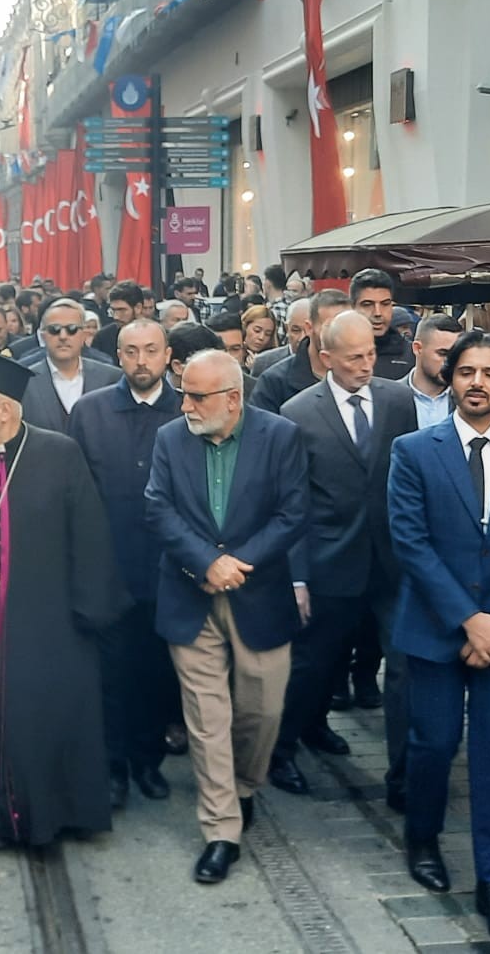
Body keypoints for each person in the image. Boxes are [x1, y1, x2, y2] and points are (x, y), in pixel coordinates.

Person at [0, 351, 127, 847]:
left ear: (6, 411)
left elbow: (91, 538)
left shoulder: (59, 453)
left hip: (49, 621)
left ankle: (50, 817)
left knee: (43, 717)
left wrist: (86, 616)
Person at [387, 329, 490, 949]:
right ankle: (422, 837)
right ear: (450, 379)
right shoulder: (413, 450)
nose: (478, 383)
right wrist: (466, 619)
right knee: (433, 743)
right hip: (434, 628)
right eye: (466, 372)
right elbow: (410, 542)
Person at [146, 350, 309, 883]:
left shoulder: (279, 436)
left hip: (258, 593)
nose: (186, 405)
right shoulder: (171, 438)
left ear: (233, 398)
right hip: (191, 594)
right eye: (184, 393)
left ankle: (242, 787)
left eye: (198, 396)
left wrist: (240, 563)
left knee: (261, 710)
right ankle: (221, 828)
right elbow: (159, 509)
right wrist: (206, 562)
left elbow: (293, 513)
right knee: (206, 717)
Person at [271, 311, 421, 804]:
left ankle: (404, 779)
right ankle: (284, 747)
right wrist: (297, 578)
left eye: (371, 354)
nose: (365, 364)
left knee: (402, 666)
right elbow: (292, 503)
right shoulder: (297, 413)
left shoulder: (399, 399)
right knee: (314, 664)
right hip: (330, 563)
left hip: (392, 562)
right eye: (354, 357)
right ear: (326, 356)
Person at [69, 320, 183, 810]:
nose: (142, 361)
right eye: (132, 351)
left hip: (169, 571)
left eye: (151, 351)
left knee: (159, 675)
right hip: (109, 570)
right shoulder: (89, 412)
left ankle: (148, 763)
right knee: (110, 679)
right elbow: (76, 495)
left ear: (168, 355)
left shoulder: (185, 408)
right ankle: (112, 768)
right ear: (117, 355)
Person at [19, 299, 119, 433]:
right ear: (43, 336)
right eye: (54, 330)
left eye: (72, 329)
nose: (63, 336)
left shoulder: (111, 377)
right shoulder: (24, 381)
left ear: (84, 335)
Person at [250, 290, 353, 412]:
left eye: (346, 327)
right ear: (309, 328)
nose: (339, 335)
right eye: (330, 326)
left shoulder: (363, 373)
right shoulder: (275, 381)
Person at [351, 269, 416, 381]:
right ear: (352, 307)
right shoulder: (336, 354)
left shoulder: (410, 355)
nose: (378, 313)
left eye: (385, 304)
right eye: (368, 304)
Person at [403, 315, 460, 429]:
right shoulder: (390, 400)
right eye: (443, 353)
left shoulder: (465, 398)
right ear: (417, 348)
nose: (450, 362)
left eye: (455, 355)